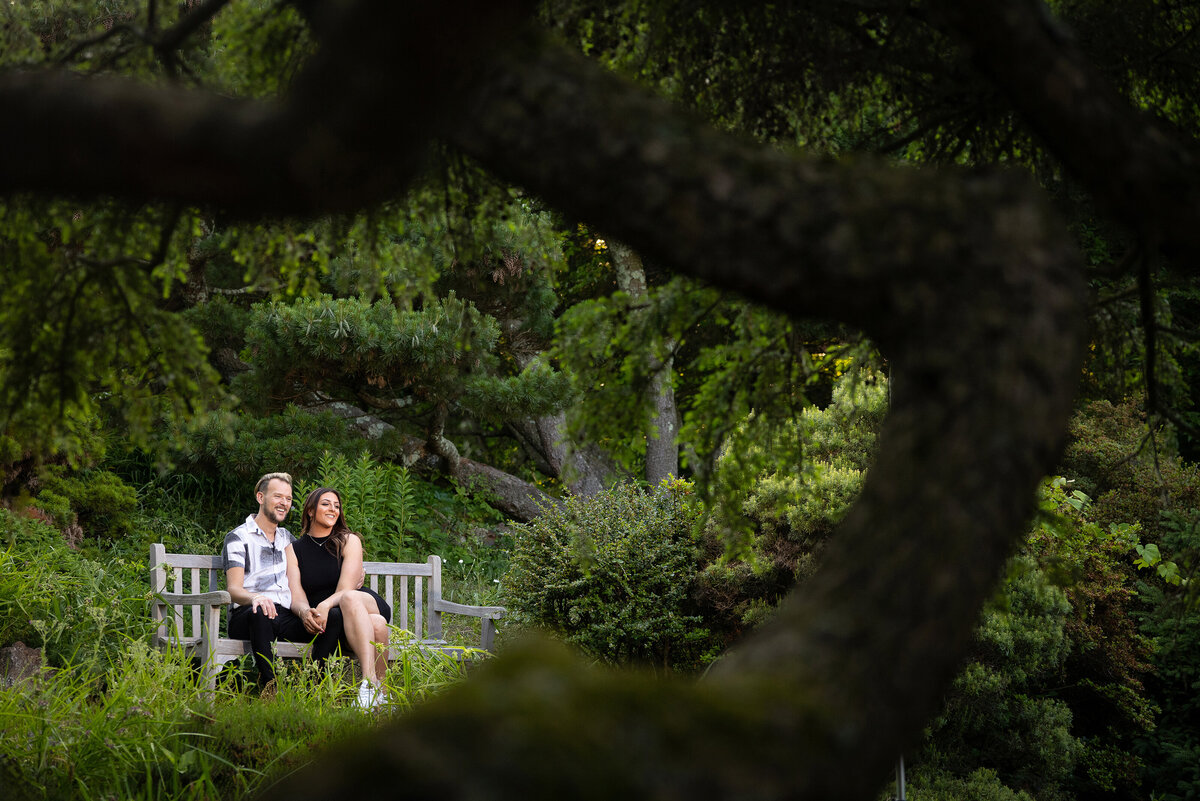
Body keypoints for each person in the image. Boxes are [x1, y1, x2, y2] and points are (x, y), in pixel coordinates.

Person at [290, 487, 393, 709]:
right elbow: (296, 593)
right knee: (378, 623)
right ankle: (381, 695)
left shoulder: (348, 540)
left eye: (337, 506)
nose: (333, 509)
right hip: (341, 620)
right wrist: (306, 611)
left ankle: (367, 683)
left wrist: (325, 604)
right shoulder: (294, 549)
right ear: (310, 510)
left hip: (361, 602)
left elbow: (346, 590)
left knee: (350, 600)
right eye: (326, 504)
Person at [222, 472, 308, 691]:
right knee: (261, 611)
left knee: (329, 621)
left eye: (288, 499)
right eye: (278, 496)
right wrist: (257, 598)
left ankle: (314, 688)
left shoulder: (286, 538)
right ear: (261, 497)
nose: (284, 503)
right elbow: (233, 590)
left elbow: (305, 572)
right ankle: (271, 686)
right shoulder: (238, 537)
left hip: (282, 616)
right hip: (248, 615)